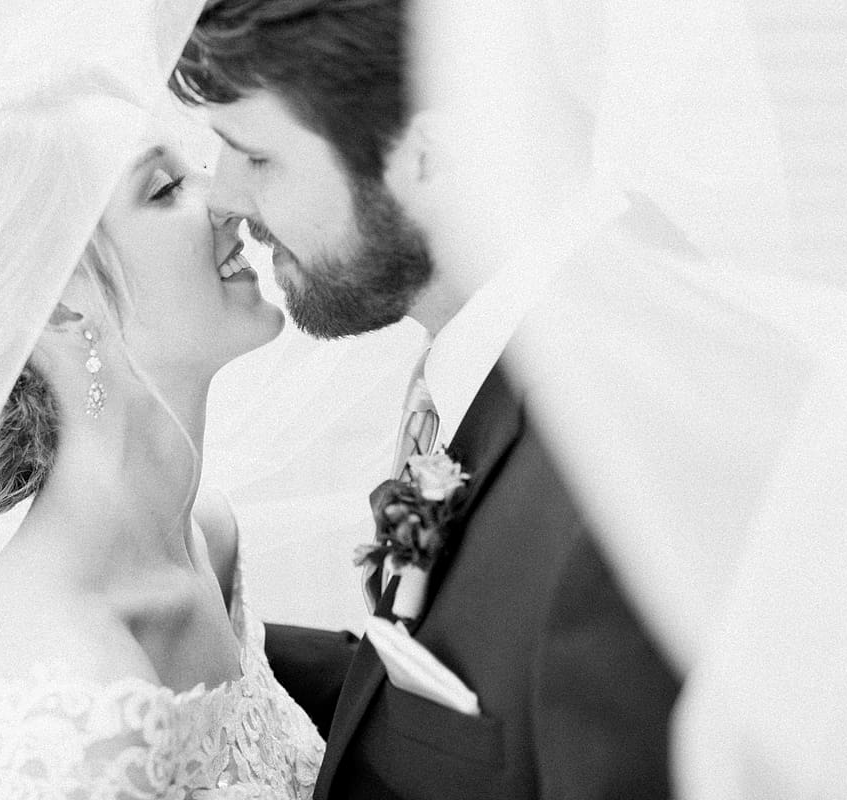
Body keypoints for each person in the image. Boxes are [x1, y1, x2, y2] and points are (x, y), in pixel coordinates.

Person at [171, 1, 681, 797]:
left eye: (256, 157)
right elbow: (467, 707)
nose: (223, 197)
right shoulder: (508, 347)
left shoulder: (619, 476)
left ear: (429, 158)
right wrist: (202, 642)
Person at [0, 75, 328, 796]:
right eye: (165, 188)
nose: (229, 200)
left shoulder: (207, 536)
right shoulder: (82, 702)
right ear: (64, 313)